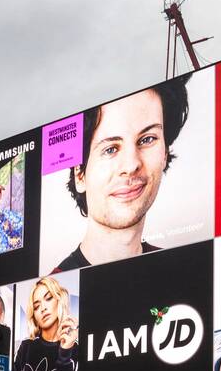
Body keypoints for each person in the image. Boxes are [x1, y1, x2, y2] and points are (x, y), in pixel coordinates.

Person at [54, 75, 191, 272]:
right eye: (110, 149)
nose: (132, 164)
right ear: (80, 175)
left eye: (147, 139)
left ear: (165, 153)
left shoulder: (183, 271)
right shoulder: (54, 287)